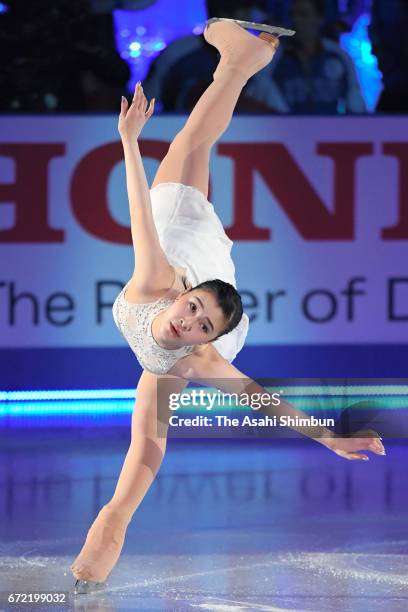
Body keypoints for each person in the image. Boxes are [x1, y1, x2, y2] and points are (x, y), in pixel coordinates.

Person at [70, 18, 385, 593]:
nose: (185, 320)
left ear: (202, 338)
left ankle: (107, 532)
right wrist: (128, 141)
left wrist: (332, 438)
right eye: (192, 309)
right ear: (184, 294)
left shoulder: (201, 358)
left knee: (146, 446)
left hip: (213, 321)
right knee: (190, 144)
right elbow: (140, 212)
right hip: (190, 245)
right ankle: (239, 60)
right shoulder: (156, 280)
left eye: (197, 325)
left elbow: (267, 402)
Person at [246, 0, 367, 114]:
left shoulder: (337, 56)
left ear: (319, 19)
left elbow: (355, 102)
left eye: (304, 15)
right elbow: (256, 97)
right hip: (284, 130)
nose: (297, 21)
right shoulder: (273, 58)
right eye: (293, 15)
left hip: (329, 131)